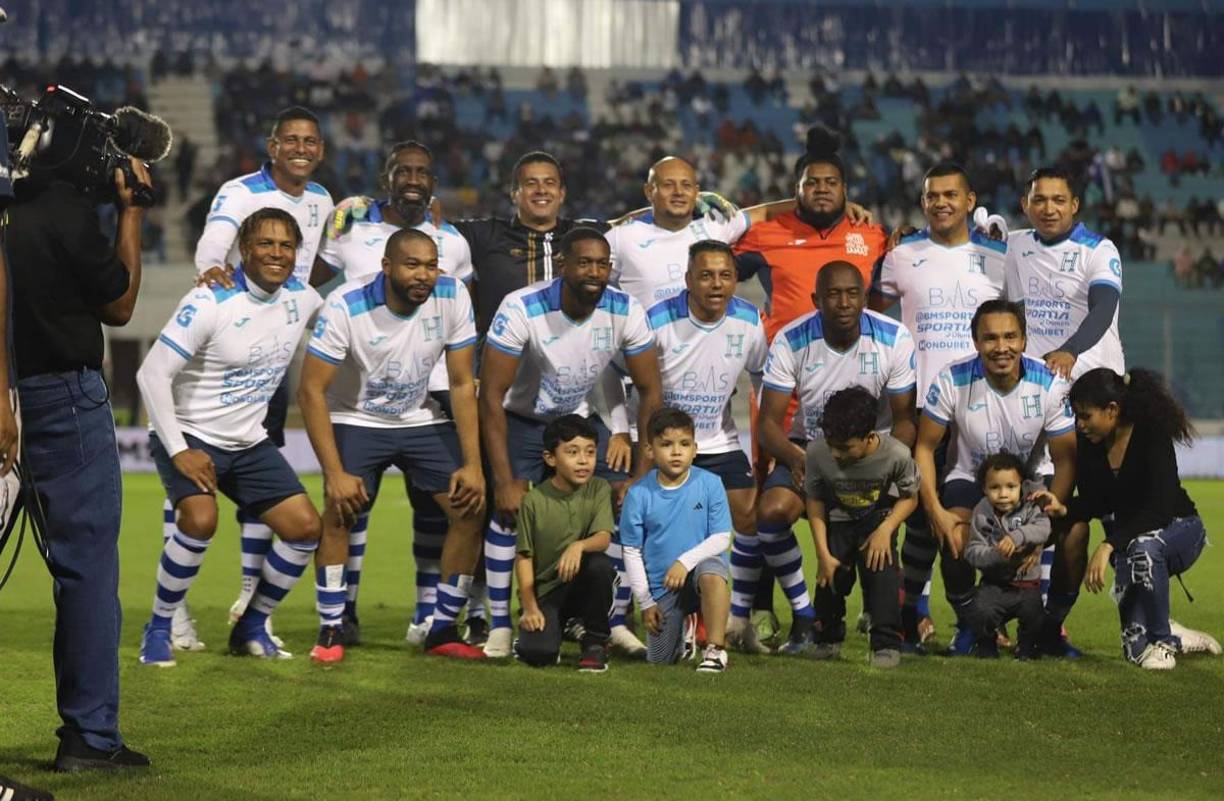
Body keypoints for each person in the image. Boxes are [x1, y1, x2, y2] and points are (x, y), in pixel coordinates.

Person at [4, 130, 151, 768]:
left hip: (9, 395)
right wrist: (132, 210)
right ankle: (90, 738)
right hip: (62, 398)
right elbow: (119, 304)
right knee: (86, 567)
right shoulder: (64, 211)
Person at [135, 209, 325, 664]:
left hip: (249, 442)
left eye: (286, 245)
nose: (276, 253)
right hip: (191, 435)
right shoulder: (209, 301)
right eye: (265, 243)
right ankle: (159, 627)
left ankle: (252, 626)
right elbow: (151, 374)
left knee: (305, 530)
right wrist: (180, 450)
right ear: (244, 249)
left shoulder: (304, 298)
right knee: (200, 521)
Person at [317, 140, 478, 647]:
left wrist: (471, 463)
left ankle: (442, 627)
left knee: (469, 507)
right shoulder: (345, 294)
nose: (423, 275)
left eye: (430, 266)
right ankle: (332, 628)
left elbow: (459, 382)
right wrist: (333, 473)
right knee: (340, 510)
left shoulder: (453, 283)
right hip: (357, 417)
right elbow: (311, 391)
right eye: (412, 266)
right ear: (387, 266)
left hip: (419, 415)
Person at [186, 106, 335, 651]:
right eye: (291, 139)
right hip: (227, 336)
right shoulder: (239, 190)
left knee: (260, 476)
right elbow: (213, 240)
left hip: (274, 347)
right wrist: (209, 272)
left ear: (320, 149)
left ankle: (251, 599)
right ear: (272, 146)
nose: (301, 148)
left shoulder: (320, 200)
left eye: (310, 141)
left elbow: (323, 258)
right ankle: (174, 611)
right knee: (191, 476)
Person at [479, 226, 664, 657]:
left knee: (622, 503)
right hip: (522, 419)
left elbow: (650, 390)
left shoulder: (624, 309)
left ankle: (611, 621)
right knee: (508, 512)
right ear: (562, 265)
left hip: (580, 419)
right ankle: (501, 625)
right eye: (585, 262)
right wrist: (504, 478)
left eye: (602, 264)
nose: (595, 272)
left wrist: (639, 470)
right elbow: (490, 394)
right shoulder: (521, 307)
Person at [871, 162, 1007, 649]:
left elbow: (1017, 324)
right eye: (932, 196)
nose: (941, 202)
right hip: (917, 408)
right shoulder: (902, 255)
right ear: (923, 202)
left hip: (983, 408)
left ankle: (990, 615)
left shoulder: (998, 256)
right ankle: (913, 614)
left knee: (984, 515)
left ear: (970, 201)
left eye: (951, 194)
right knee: (914, 515)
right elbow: (868, 307)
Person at [757, 261, 917, 654]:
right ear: (816, 300)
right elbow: (768, 424)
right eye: (833, 294)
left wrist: (883, 470)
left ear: (865, 297)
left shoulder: (894, 337)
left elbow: (904, 421)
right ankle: (802, 612)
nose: (843, 302)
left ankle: (893, 620)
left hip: (872, 454)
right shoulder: (791, 339)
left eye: (852, 293)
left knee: (880, 532)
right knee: (773, 511)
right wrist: (796, 459)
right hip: (811, 451)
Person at [916, 299, 1079, 656]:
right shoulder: (951, 379)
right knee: (955, 534)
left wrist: (1047, 521)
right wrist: (934, 510)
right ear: (975, 341)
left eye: (1010, 337)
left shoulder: (1050, 383)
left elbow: (1066, 460)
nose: (1001, 347)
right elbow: (924, 448)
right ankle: (970, 624)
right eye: (990, 338)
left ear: (1024, 340)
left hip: (1032, 482)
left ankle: (1050, 629)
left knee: (1075, 534)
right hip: (969, 478)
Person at [1039, 368, 1220, 668]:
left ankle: (1163, 641)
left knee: (1144, 548)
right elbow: (1099, 501)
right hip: (1129, 542)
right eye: (1077, 416)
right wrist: (1065, 509)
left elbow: (1159, 510)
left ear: (1112, 410)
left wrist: (1108, 545)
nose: (1079, 425)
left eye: (1086, 416)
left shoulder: (1151, 435)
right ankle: (1172, 633)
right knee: (1136, 652)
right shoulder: (1089, 443)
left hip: (1180, 530)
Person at [638, 241, 769, 653]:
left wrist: (764, 438)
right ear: (688, 280)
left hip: (717, 438)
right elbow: (631, 383)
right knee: (655, 524)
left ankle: (739, 617)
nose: (717, 284)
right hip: (665, 442)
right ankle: (644, 611)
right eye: (706, 275)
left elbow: (762, 378)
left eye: (726, 275)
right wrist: (634, 438)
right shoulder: (657, 319)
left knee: (748, 515)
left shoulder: (749, 319)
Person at [804, 386, 920, 668]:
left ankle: (885, 643)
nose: (836, 453)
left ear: (870, 437)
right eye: (831, 444)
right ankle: (826, 638)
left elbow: (910, 498)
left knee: (883, 576)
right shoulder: (817, 452)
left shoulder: (897, 454)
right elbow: (816, 501)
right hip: (838, 521)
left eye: (844, 448)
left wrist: (886, 530)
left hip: (878, 521)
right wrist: (822, 552)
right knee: (830, 578)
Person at [621, 408, 733, 672]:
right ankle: (684, 633)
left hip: (698, 575)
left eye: (684, 444)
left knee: (711, 571)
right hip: (664, 586)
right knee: (659, 661)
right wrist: (646, 602)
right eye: (666, 444)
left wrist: (684, 562)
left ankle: (716, 650)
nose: (676, 452)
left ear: (695, 449)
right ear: (649, 450)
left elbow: (721, 538)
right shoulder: (638, 494)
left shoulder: (711, 483)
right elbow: (631, 551)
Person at [514, 415, 618, 671]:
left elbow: (603, 538)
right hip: (548, 591)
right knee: (538, 654)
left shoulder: (599, 488)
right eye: (572, 452)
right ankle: (559, 625)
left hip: (582, 584)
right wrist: (529, 607)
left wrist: (578, 546)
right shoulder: (533, 500)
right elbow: (524, 557)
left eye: (590, 452)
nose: (583, 460)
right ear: (551, 458)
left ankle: (595, 641)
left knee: (600, 566)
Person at [1005, 166, 1124, 382]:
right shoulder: (1013, 244)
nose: (1049, 209)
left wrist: (1070, 350)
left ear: (1074, 205)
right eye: (1039, 200)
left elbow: (1104, 307)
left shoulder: (1099, 249)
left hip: (1093, 380)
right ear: (1025, 205)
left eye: (1059, 200)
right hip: (1039, 383)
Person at [963, 452, 1050, 659]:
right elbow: (972, 551)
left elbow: (1044, 528)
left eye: (1011, 487)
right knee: (980, 611)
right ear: (984, 489)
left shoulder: (1029, 507)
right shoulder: (981, 512)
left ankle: (1027, 647)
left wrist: (1017, 537)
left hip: (1027, 584)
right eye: (995, 488)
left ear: (1021, 485)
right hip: (994, 584)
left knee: (1035, 616)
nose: (1003, 494)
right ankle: (986, 645)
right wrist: (996, 555)